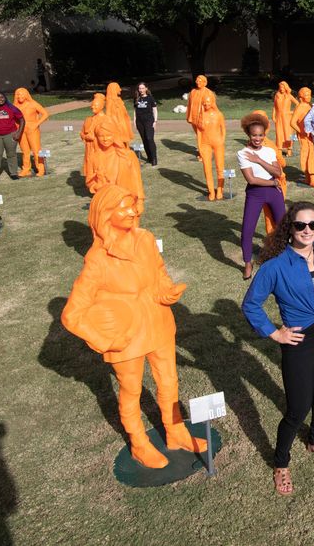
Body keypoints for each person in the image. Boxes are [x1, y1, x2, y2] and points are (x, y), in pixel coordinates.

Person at [61, 184, 207, 469]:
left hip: (160, 323)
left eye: (133, 205)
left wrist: (166, 291)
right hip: (126, 337)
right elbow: (71, 314)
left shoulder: (145, 239)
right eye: (123, 207)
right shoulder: (98, 260)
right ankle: (139, 442)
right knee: (131, 390)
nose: (133, 212)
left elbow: (159, 272)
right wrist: (104, 340)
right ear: (105, 214)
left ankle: (175, 430)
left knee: (169, 381)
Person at [241, 202, 314, 495]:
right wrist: (275, 333)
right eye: (300, 225)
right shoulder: (275, 266)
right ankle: (281, 462)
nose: (307, 231)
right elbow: (251, 305)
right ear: (289, 228)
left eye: (313, 225)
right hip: (299, 339)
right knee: (298, 407)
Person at [237, 113, 288, 280]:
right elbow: (251, 179)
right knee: (247, 229)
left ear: (264, 134)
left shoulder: (269, 151)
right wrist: (272, 183)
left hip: (274, 193)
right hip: (255, 193)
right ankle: (247, 263)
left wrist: (258, 160)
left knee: (283, 226)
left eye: (260, 135)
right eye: (254, 135)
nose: (257, 138)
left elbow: (278, 171)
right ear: (248, 135)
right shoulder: (242, 153)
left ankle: (286, 256)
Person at [13, 87, 50, 177]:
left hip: (32, 129)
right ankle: (26, 169)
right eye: (17, 94)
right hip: (21, 129)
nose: (19, 96)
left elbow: (45, 114)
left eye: (21, 94)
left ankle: (41, 169)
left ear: (26, 95)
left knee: (36, 150)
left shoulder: (33, 104)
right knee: (25, 151)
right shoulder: (15, 106)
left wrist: (36, 124)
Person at [197, 92, 226, 201]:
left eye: (208, 102)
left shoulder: (219, 115)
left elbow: (223, 129)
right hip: (205, 144)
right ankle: (211, 191)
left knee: (220, 167)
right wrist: (199, 146)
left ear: (212, 102)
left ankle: (220, 190)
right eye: (204, 103)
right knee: (207, 168)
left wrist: (222, 140)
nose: (206, 104)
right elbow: (199, 133)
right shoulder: (201, 116)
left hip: (218, 143)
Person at [80, 93, 105, 182]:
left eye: (95, 105)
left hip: (100, 149)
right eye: (92, 105)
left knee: (100, 167)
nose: (92, 107)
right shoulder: (88, 120)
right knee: (90, 166)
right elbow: (81, 133)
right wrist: (86, 136)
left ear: (101, 106)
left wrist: (95, 137)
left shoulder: (105, 119)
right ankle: (93, 184)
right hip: (89, 149)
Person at [132, 83, 158, 166]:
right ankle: (149, 158)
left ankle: (154, 158)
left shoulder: (150, 98)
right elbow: (135, 111)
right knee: (144, 140)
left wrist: (155, 121)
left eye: (143, 88)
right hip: (140, 122)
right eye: (140, 88)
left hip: (149, 121)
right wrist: (135, 121)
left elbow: (155, 110)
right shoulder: (136, 98)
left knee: (149, 138)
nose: (141, 90)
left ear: (146, 88)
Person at [273, 81, 296, 156]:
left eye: (283, 87)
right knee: (279, 133)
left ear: (286, 88)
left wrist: (291, 112)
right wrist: (273, 116)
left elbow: (298, 105)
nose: (281, 89)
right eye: (280, 87)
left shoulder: (289, 96)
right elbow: (274, 107)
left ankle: (289, 149)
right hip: (279, 117)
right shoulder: (277, 95)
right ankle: (279, 149)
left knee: (289, 134)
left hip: (287, 118)